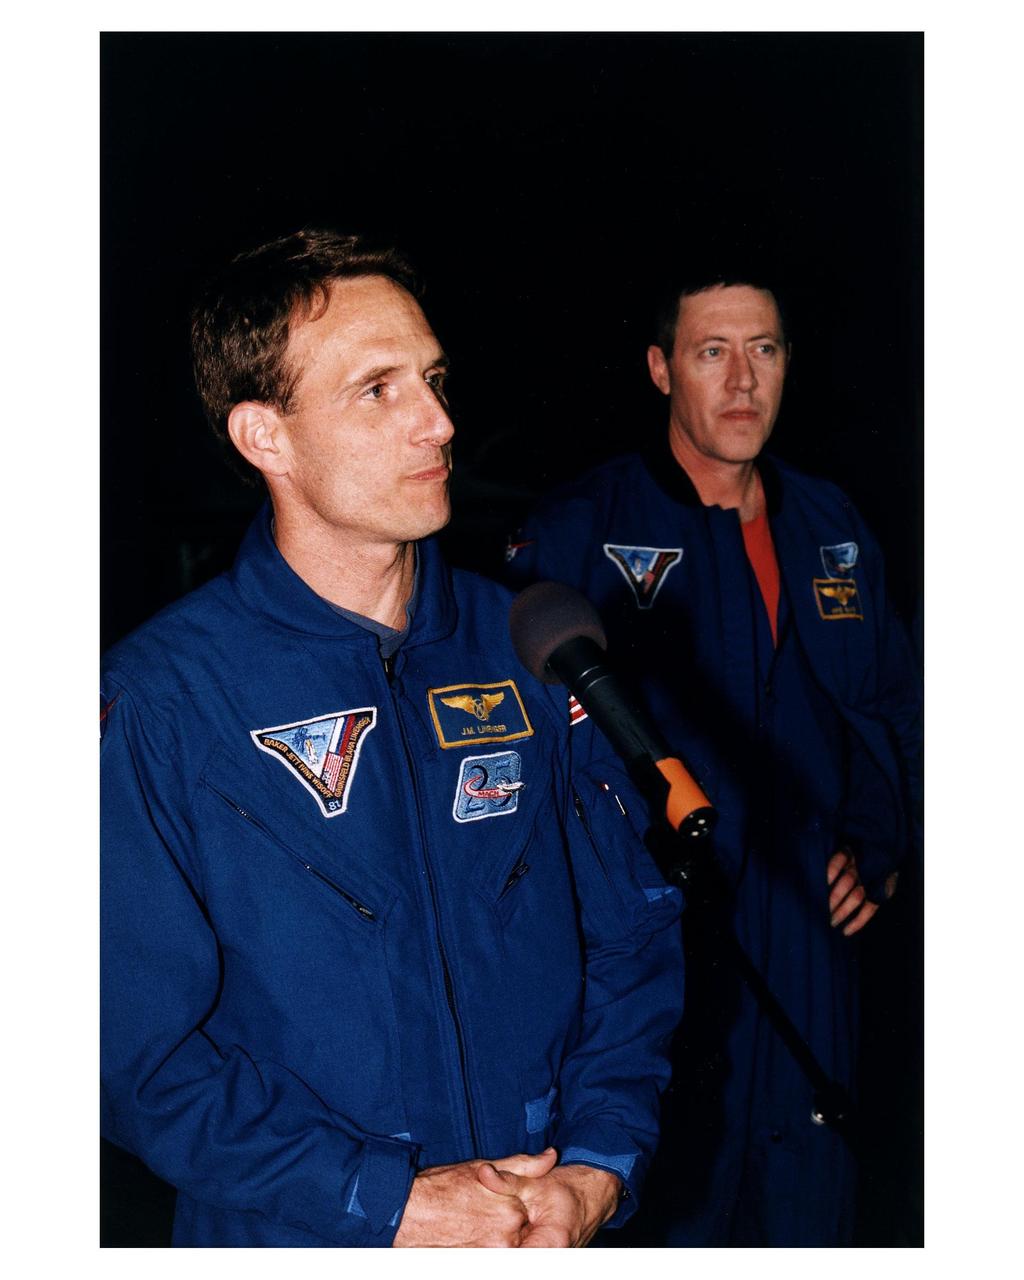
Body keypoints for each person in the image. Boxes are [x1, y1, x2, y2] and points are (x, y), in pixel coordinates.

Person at [100, 229, 685, 1248]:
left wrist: (599, 1163)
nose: (439, 422)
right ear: (265, 436)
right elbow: (131, 1053)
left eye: (434, 379)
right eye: (378, 389)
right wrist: (386, 1201)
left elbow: (629, 940)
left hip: (538, 1222)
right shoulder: (163, 700)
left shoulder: (531, 649)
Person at [503, 271, 922, 1245]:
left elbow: (890, 707)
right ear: (661, 369)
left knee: (810, 1200)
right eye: (711, 352)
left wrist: (879, 847)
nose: (742, 380)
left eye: (763, 350)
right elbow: (525, 748)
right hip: (659, 937)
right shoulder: (584, 526)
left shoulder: (831, 527)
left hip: (809, 924)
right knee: (675, 1198)